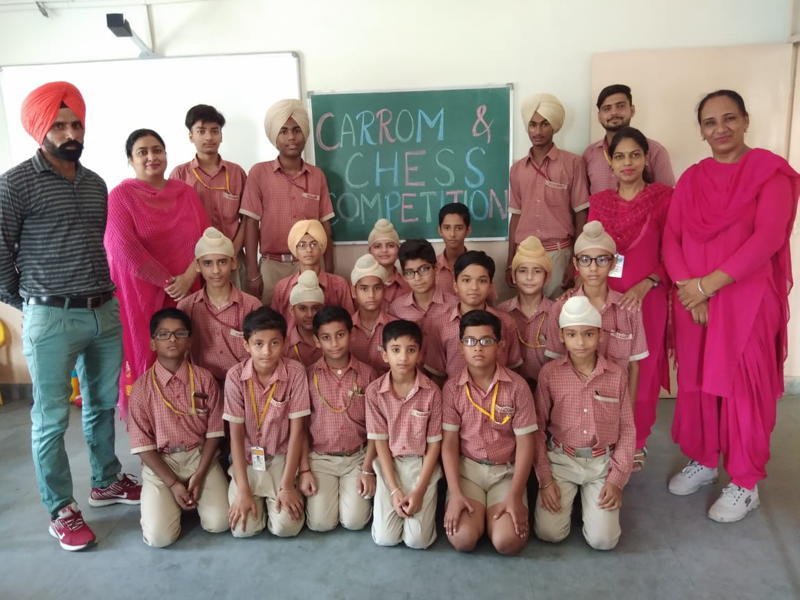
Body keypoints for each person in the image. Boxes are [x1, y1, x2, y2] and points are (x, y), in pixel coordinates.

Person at [0, 81, 140, 551]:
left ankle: (106, 480)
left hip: (103, 311)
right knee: (51, 418)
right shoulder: (14, 184)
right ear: (40, 129)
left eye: (76, 124)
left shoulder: (96, 184)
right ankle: (60, 507)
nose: (70, 133)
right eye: (59, 125)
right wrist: (31, 304)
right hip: (52, 318)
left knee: (102, 405)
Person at [663, 90, 799, 522]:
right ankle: (704, 459)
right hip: (694, 302)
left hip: (747, 301)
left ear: (745, 120)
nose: (720, 129)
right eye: (710, 122)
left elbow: (768, 238)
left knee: (743, 389)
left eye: (729, 118)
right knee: (697, 381)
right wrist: (689, 289)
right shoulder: (692, 179)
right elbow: (671, 238)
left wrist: (707, 286)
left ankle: (744, 482)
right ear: (701, 131)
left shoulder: (769, 173)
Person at [105, 128, 210, 416]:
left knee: (189, 351)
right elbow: (123, 248)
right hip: (143, 297)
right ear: (131, 160)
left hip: (188, 291)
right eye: (142, 152)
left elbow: (206, 240)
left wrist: (188, 277)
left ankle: (193, 424)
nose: (151, 157)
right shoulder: (121, 197)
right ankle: (152, 424)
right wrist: (168, 282)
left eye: (157, 150)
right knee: (151, 354)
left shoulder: (185, 193)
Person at [588, 127, 672, 470]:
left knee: (644, 369)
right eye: (620, 156)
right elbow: (590, 249)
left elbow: (673, 252)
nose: (628, 163)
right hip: (605, 298)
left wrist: (647, 282)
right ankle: (607, 436)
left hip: (647, 299)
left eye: (635, 155)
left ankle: (637, 440)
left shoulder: (664, 198)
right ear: (609, 160)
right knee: (606, 365)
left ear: (646, 158)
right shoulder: (600, 202)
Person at [534, 296, 634, 551]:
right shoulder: (549, 374)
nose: (580, 342)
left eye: (588, 334)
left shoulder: (616, 375)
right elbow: (538, 429)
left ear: (600, 335)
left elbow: (627, 428)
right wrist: (545, 480)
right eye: (572, 334)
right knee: (549, 533)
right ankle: (575, 500)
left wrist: (616, 480)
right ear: (562, 336)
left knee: (604, 541)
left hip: (601, 465)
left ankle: (590, 501)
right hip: (561, 461)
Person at [128, 308, 229, 547]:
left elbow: (214, 433)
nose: (172, 339)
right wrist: (173, 484)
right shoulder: (141, 389)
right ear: (153, 343)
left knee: (220, 523)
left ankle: (187, 499)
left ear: (189, 341)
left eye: (179, 333)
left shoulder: (204, 379)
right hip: (162, 463)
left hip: (199, 457)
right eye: (163, 334)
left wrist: (200, 474)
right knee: (159, 538)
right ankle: (168, 501)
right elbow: (143, 446)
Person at [442, 310, 536, 555]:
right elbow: (449, 444)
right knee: (463, 539)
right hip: (468, 471)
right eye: (470, 341)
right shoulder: (452, 388)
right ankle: (479, 518)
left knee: (507, 542)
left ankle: (493, 518)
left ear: (500, 345)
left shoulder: (517, 387)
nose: (477, 348)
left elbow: (526, 444)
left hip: (505, 472)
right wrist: (455, 494)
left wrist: (515, 495)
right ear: (461, 346)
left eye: (486, 340)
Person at [544, 222, 648, 420]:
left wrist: (628, 415)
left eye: (601, 259)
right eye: (585, 260)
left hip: (613, 407)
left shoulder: (629, 309)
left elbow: (634, 367)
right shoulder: (560, 307)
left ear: (613, 263)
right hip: (571, 410)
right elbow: (553, 365)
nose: (593, 268)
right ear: (576, 264)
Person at [224, 306, 310, 538]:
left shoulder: (295, 372)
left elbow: (297, 432)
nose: (266, 351)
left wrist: (287, 485)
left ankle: (272, 502)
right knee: (243, 530)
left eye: (274, 343)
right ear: (246, 345)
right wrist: (243, 491)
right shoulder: (235, 376)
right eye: (258, 344)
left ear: (284, 343)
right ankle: (255, 500)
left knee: (286, 528)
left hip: (280, 460)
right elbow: (235, 436)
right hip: (247, 461)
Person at [240, 99, 335, 305]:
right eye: (283, 131)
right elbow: (250, 224)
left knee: (311, 318)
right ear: (274, 136)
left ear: (305, 133)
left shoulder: (317, 176)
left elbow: (325, 225)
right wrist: (252, 273)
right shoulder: (259, 173)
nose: (291, 137)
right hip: (272, 267)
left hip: (311, 265)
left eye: (296, 130)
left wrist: (329, 269)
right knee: (273, 320)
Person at [299, 306, 378, 532]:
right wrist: (305, 470)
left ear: (351, 334)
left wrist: (367, 469)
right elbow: (300, 429)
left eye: (340, 335)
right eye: (326, 338)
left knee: (354, 522)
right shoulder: (308, 376)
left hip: (357, 458)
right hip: (320, 458)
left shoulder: (368, 375)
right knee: (320, 523)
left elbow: (377, 429)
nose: (334, 343)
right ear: (317, 341)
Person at [366, 319, 442, 549]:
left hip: (421, 465)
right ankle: (392, 501)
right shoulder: (374, 392)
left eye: (411, 350)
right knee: (385, 538)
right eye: (396, 350)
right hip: (390, 465)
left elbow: (434, 446)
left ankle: (420, 503)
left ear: (420, 354)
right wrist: (394, 489)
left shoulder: (432, 392)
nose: (403, 357)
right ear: (384, 354)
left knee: (417, 541)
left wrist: (419, 491)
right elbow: (380, 443)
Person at [507, 93, 589, 299]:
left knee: (558, 311)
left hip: (559, 255)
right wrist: (510, 261)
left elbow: (581, 214)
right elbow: (515, 216)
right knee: (527, 312)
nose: (537, 131)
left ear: (554, 126)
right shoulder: (517, 169)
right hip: (524, 255)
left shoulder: (573, 164)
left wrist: (575, 263)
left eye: (544, 124)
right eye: (532, 125)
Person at [170, 104, 248, 287]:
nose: (209, 137)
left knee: (239, 304)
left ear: (221, 135)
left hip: (233, 259)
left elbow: (246, 220)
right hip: (194, 263)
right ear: (191, 136)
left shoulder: (236, 173)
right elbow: (173, 224)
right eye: (201, 131)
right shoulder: (180, 175)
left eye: (215, 131)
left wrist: (230, 253)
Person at [177, 227, 262, 387]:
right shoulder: (186, 307)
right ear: (197, 266)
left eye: (222, 262)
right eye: (208, 263)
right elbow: (181, 354)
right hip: (202, 386)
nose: (216, 270)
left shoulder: (252, 305)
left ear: (234, 263)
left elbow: (261, 353)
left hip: (244, 385)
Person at [425, 251, 522, 382]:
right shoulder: (440, 325)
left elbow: (513, 368)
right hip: (454, 393)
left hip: (499, 393)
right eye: (466, 280)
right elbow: (437, 375)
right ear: (455, 285)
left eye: (482, 281)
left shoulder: (506, 322)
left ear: (490, 286)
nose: (474, 287)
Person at [583, 84, 675, 195]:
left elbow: (667, 196)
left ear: (632, 110)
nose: (614, 112)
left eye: (620, 106)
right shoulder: (590, 154)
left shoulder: (655, 151)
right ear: (599, 116)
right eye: (607, 109)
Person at [497, 236, 553, 387]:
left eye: (537, 271)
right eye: (522, 271)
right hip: (509, 390)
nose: (529, 277)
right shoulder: (501, 312)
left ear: (546, 277)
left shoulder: (557, 313)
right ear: (514, 277)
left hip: (548, 388)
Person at [271, 219, 352, 320]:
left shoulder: (339, 285)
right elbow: (274, 324)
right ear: (295, 250)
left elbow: (349, 321)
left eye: (313, 244)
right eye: (302, 245)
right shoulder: (282, 288)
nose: (309, 250)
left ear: (321, 247)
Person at [390, 239, 453, 324]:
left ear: (436, 269)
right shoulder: (396, 309)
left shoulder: (455, 305)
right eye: (409, 272)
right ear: (404, 276)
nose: (417, 278)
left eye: (423, 269)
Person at [349, 254, 393, 374]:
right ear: (354, 291)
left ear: (384, 290)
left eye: (377, 288)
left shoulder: (395, 327)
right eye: (364, 289)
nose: (371, 295)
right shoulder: (345, 329)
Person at [282, 270, 324, 367]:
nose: (310, 314)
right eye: (302, 308)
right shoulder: (284, 346)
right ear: (292, 310)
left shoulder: (332, 342)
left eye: (315, 308)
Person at [368, 218, 410, 304]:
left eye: (390, 245)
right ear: (370, 252)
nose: (384, 250)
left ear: (398, 251)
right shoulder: (361, 284)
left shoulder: (409, 284)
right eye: (377, 246)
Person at [436, 203, 471, 297]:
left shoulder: (478, 265)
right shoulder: (431, 267)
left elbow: (489, 301)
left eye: (459, 228)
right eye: (447, 228)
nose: (452, 234)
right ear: (440, 230)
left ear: (468, 230)